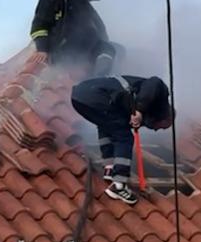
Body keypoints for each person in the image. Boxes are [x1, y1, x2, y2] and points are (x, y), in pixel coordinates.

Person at [71, 75, 173, 204]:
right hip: (98, 96)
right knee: (125, 138)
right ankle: (119, 185)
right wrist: (140, 110)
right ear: (165, 117)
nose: (158, 130)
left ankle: (109, 168)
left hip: (79, 97)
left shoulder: (137, 108)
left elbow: (111, 125)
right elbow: (155, 81)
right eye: (163, 127)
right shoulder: (161, 98)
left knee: (107, 126)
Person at [29, 0, 115, 76]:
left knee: (112, 51)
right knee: (94, 63)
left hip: (92, 42)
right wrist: (42, 48)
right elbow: (39, 27)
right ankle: (95, 82)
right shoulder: (48, 2)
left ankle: (102, 80)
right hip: (67, 49)